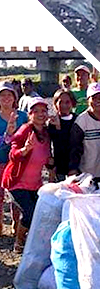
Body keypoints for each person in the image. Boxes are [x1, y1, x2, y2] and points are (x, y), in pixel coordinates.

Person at [3, 98, 53, 252]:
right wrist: (25, 150)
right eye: (36, 111)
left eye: (43, 111)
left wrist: (51, 166)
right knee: (30, 212)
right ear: (30, 114)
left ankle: (32, 242)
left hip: (35, 183)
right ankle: (18, 243)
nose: (40, 114)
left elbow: (47, 158)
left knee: (40, 212)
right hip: (16, 182)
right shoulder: (25, 130)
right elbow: (13, 154)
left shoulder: (46, 133)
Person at [69, 82, 100, 181]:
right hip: (88, 174)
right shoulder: (81, 121)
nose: (98, 100)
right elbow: (74, 148)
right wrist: (73, 169)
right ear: (88, 100)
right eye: (94, 97)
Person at [0, 81, 28, 238]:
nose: (5, 98)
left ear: (14, 97)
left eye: (9, 95)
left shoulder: (22, 116)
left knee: (16, 198)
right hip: (0, 161)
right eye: (2, 95)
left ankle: (16, 225)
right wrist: (7, 137)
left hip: (17, 163)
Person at [47, 89, 76, 181]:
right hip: (59, 165)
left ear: (73, 103)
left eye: (67, 102)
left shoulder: (78, 120)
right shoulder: (52, 122)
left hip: (76, 164)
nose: (64, 105)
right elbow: (53, 144)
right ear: (55, 104)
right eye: (60, 102)